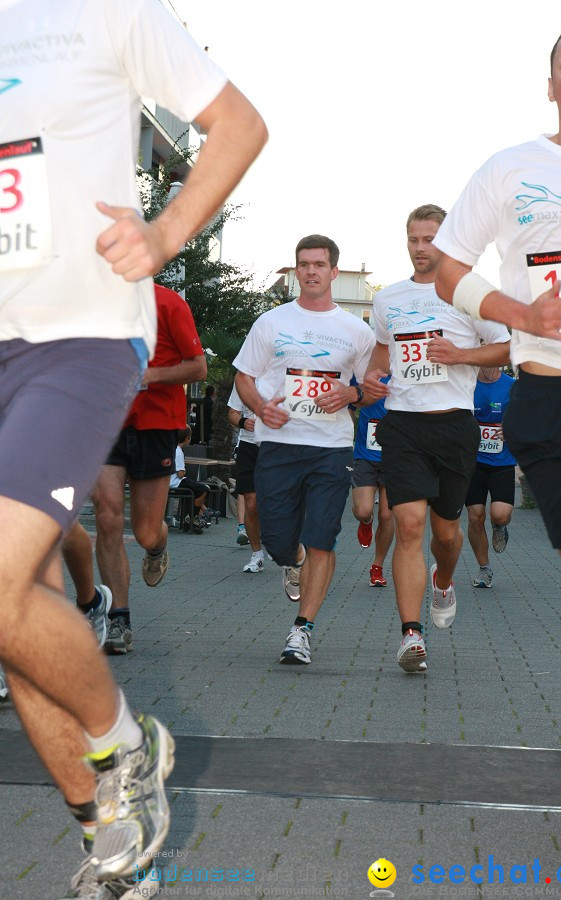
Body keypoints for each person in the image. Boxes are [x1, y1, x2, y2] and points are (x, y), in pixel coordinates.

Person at [0, 1, 267, 896]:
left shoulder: (106, 10)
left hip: (75, 337)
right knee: (18, 609)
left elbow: (239, 124)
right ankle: (109, 836)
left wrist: (164, 234)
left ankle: (126, 743)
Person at [432, 19, 561, 830]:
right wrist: (522, 311)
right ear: (550, 83)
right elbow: (450, 271)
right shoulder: (510, 169)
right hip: (544, 398)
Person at [364, 205, 510, 674]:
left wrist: (462, 353)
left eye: (430, 239)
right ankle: (411, 635)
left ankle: (443, 580)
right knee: (408, 525)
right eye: (414, 239)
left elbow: (507, 346)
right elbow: (382, 349)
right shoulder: (388, 299)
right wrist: (373, 375)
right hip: (404, 424)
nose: (421, 247)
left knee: (446, 535)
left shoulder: (471, 291)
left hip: (455, 427)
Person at [234, 234, 375, 665]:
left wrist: (350, 396)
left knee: (322, 537)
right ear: (296, 270)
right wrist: (260, 408)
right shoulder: (272, 322)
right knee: (277, 539)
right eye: (304, 264)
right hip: (277, 444)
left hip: (330, 448)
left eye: (319, 264)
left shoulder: (357, 331)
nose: (311, 271)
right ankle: (289, 559)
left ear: (334, 271)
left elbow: (372, 388)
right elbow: (243, 376)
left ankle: (302, 630)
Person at [93, 282, 206, 655]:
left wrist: (147, 376)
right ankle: (118, 618)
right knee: (108, 518)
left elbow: (199, 368)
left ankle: (157, 546)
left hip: (156, 425)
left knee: (144, 532)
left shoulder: (169, 303)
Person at [466, 367, 516, 589]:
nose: (490, 366)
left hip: (502, 462)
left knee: (501, 514)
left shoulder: (512, 386)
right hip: (472, 463)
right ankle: (484, 569)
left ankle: (499, 527)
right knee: (475, 516)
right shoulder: (467, 384)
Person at [351, 376, 394, 587]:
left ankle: (377, 567)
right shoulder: (362, 371)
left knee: (387, 514)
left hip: (394, 455)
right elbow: (349, 404)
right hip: (365, 454)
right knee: (363, 510)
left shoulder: (403, 368)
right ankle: (366, 522)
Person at [228, 383, 265, 573]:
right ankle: (257, 554)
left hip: (276, 444)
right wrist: (243, 422)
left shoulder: (283, 370)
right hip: (248, 445)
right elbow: (232, 413)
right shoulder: (244, 379)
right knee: (251, 503)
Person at [170, 425, 212, 531]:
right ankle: (192, 517)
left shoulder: (172, 448)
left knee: (197, 488)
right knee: (204, 490)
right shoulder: (178, 452)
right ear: (187, 438)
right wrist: (184, 471)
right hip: (176, 482)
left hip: (172, 481)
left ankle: (201, 512)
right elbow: (180, 474)